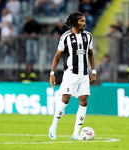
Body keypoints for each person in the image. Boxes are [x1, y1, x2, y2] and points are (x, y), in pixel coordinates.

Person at [49, 11, 96, 140]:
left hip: (84, 74)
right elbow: (57, 55)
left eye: (84, 21)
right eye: (81, 21)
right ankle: (53, 126)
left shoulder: (88, 36)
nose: (84, 23)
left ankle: (76, 133)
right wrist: (52, 74)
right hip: (70, 73)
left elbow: (90, 54)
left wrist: (94, 71)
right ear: (75, 22)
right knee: (65, 99)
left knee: (84, 100)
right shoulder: (66, 37)